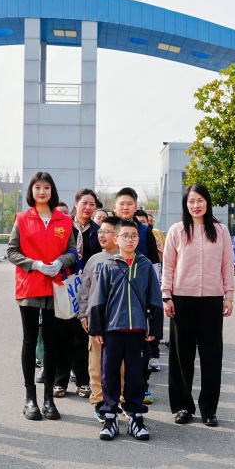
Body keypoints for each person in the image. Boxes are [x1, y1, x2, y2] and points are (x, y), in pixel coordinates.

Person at [7, 171, 78, 420]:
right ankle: (30, 398)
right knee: (29, 341)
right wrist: (34, 264)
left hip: (55, 286)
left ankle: (49, 398)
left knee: (51, 342)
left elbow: (72, 251)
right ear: (31, 191)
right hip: (29, 286)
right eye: (37, 187)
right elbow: (11, 251)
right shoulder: (22, 218)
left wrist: (60, 262)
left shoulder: (64, 220)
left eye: (46, 187)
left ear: (52, 191)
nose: (42, 192)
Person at [162, 184, 234, 427]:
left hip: (212, 301)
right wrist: (166, 295)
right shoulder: (177, 230)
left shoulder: (220, 231)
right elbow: (168, 265)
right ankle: (183, 406)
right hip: (181, 300)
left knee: (212, 356)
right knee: (181, 356)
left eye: (200, 200)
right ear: (186, 204)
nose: (196, 205)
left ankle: (209, 409)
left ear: (207, 202)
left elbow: (227, 265)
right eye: (191, 201)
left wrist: (229, 296)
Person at [88, 219, 164, 441]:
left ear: (138, 240)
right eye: (125, 236)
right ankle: (110, 417)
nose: (129, 240)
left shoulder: (145, 265)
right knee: (109, 373)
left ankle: (135, 417)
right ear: (116, 239)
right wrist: (97, 328)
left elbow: (155, 297)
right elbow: (99, 298)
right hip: (112, 329)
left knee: (135, 375)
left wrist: (154, 328)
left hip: (138, 330)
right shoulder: (109, 265)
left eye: (133, 236)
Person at [112, 187, 160, 402]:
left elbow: (154, 262)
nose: (125, 207)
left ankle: (142, 386)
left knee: (140, 348)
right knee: (112, 353)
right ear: (115, 206)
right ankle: (112, 394)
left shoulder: (144, 230)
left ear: (136, 206)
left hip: (138, 295)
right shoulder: (108, 227)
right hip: (113, 297)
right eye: (121, 203)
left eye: (129, 203)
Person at [53, 189, 102, 398]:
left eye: (92, 204)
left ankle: (83, 381)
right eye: (84, 203)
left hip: (88, 289)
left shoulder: (98, 231)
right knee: (62, 334)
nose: (88, 207)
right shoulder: (63, 226)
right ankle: (60, 381)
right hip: (65, 285)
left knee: (83, 336)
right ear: (76, 203)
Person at [78, 216, 121, 421]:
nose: (101, 235)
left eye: (106, 232)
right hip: (96, 320)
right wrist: (83, 315)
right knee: (96, 363)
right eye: (100, 231)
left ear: (118, 235)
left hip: (121, 321)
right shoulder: (94, 260)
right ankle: (99, 400)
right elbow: (84, 291)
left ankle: (121, 400)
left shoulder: (130, 258)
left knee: (122, 364)